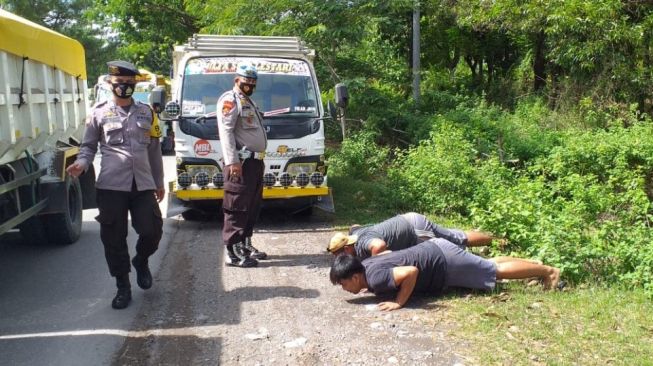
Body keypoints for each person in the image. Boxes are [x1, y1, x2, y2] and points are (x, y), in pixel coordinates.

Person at [66, 60, 165, 310]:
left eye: (130, 83)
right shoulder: (98, 113)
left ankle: (141, 260)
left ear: (135, 85)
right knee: (113, 238)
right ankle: (123, 286)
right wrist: (82, 163)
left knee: (152, 230)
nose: (125, 87)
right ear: (111, 83)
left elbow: (154, 150)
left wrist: (159, 181)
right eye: (120, 83)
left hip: (142, 184)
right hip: (111, 186)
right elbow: (88, 147)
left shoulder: (147, 112)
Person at [330, 239, 561, 312]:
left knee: (494, 272)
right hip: (436, 250)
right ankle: (534, 265)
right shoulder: (366, 264)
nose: (344, 289)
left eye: (342, 284)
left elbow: (411, 271)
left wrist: (399, 302)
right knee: (487, 264)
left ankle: (548, 271)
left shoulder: (376, 278)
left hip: (444, 262)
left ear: (354, 277)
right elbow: (391, 254)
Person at [217, 62, 268, 268]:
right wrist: (232, 162)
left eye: (253, 83)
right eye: (246, 82)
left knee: (252, 206)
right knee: (236, 207)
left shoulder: (248, 101)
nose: (250, 85)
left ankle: (245, 245)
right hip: (241, 163)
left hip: (255, 162)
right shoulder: (230, 100)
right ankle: (232, 251)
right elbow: (226, 131)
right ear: (236, 80)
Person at [327, 212, 495, 259]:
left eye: (340, 254)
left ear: (348, 247)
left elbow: (378, 246)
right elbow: (354, 226)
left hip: (415, 231)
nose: (338, 258)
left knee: (453, 247)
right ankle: (494, 240)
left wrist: (372, 265)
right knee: (455, 235)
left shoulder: (363, 242)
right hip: (409, 218)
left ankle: (482, 256)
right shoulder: (355, 234)